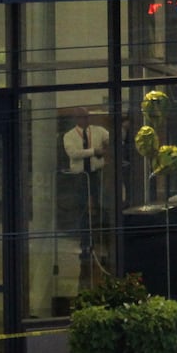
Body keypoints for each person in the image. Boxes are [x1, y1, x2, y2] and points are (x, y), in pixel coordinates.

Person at [62, 107, 109, 257]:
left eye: (87, 117)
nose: (85, 120)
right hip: (80, 176)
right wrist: (93, 151)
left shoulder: (98, 131)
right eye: (82, 117)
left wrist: (106, 148)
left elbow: (112, 138)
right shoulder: (69, 136)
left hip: (96, 173)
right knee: (83, 209)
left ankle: (100, 241)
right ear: (76, 119)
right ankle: (85, 243)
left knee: (98, 206)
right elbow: (73, 153)